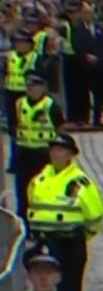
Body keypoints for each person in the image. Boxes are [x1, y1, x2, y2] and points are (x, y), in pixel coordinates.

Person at [26, 134, 103, 291]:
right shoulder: (40, 179)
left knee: (69, 290)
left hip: (69, 242)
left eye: (61, 150)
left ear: (70, 155)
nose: (55, 154)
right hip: (44, 241)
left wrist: (82, 236)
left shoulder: (79, 182)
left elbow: (95, 215)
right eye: (53, 149)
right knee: (44, 288)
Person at [13, 73, 64, 220]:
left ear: (42, 88)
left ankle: (41, 219)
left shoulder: (50, 105)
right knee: (23, 189)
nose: (31, 90)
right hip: (24, 152)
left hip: (43, 154)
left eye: (35, 87)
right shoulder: (20, 103)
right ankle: (23, 219)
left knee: (42, 189)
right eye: (29, 87)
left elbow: (60, 128)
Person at [4, 31, 47, 158]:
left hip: (28, 94)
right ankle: (15, 157)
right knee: (13, 128)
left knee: (28, 125)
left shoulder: (36, 58)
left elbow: (42, 76)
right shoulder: (10, 56)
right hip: (11, 93)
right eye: (17, 43)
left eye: (23, 43)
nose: (19, 45)